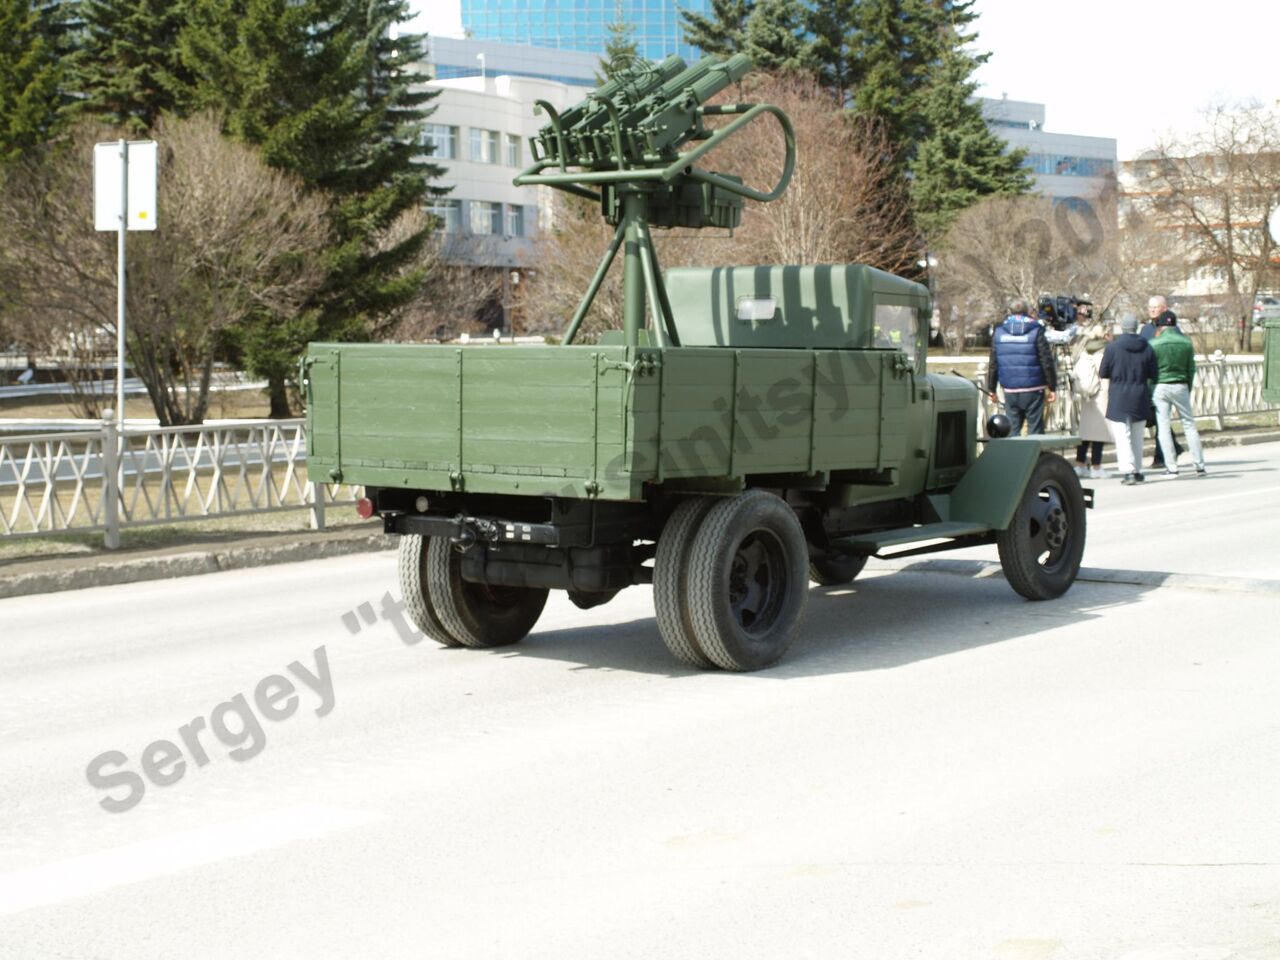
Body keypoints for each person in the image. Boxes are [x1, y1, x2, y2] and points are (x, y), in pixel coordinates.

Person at [1100, 314, 1159, 484]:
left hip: (1119, 394)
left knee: (1122, 435)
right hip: (1140, 394)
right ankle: (1138, 470)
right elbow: (1153, 373)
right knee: (1137, 436)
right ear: (1136, 328)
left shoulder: (1113, 348)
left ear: (1122, 327)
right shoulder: (1147, 347)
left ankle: (1128, 471)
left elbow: (1104, 372)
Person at [986, 298, 1057, 435]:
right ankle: (1035, 456)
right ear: (1028, 311)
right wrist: (1052, 386)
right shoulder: (1036, 330)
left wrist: (991, 389)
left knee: (1012, 429)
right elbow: (1046, 361)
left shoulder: (999, 332)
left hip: (1010, 388)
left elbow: (993, 363)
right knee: (1035, 429)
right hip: (1034, 388)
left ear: (1010, 311)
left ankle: (1014, 456)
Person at [1149, 310, 1207, 476]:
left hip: (1161, 385)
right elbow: (1191, 369)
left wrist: (1151, 388)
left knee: (1164, 427)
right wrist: (1187, 386)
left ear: (1160, 325)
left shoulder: (1154, 344)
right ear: (1175, 324)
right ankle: (1199, 465)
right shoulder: (1186, 343)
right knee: (1189, 424)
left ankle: (1172, 467)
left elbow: (1151, 371)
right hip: (1180, 384)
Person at [1141, 295, 1182, 467]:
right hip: (1148, 380)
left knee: (1160, 418)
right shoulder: (1145, 329)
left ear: (1164, 308)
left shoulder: (1173, 330)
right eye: (1150, 307)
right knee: (1155, 418)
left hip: (1164, 379)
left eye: (1155, 307)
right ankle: (1174, 447)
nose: (1151, 310)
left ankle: (1161, 456)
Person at [1071, 325, 1110, 478]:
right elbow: (1105, 373)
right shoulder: (1103, 352)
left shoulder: (1084, 350)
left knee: (1086, 432)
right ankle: (1096, 466)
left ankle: (1080, 463)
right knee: (1099, 432)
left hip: (1087, 393)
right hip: (1099, 393)